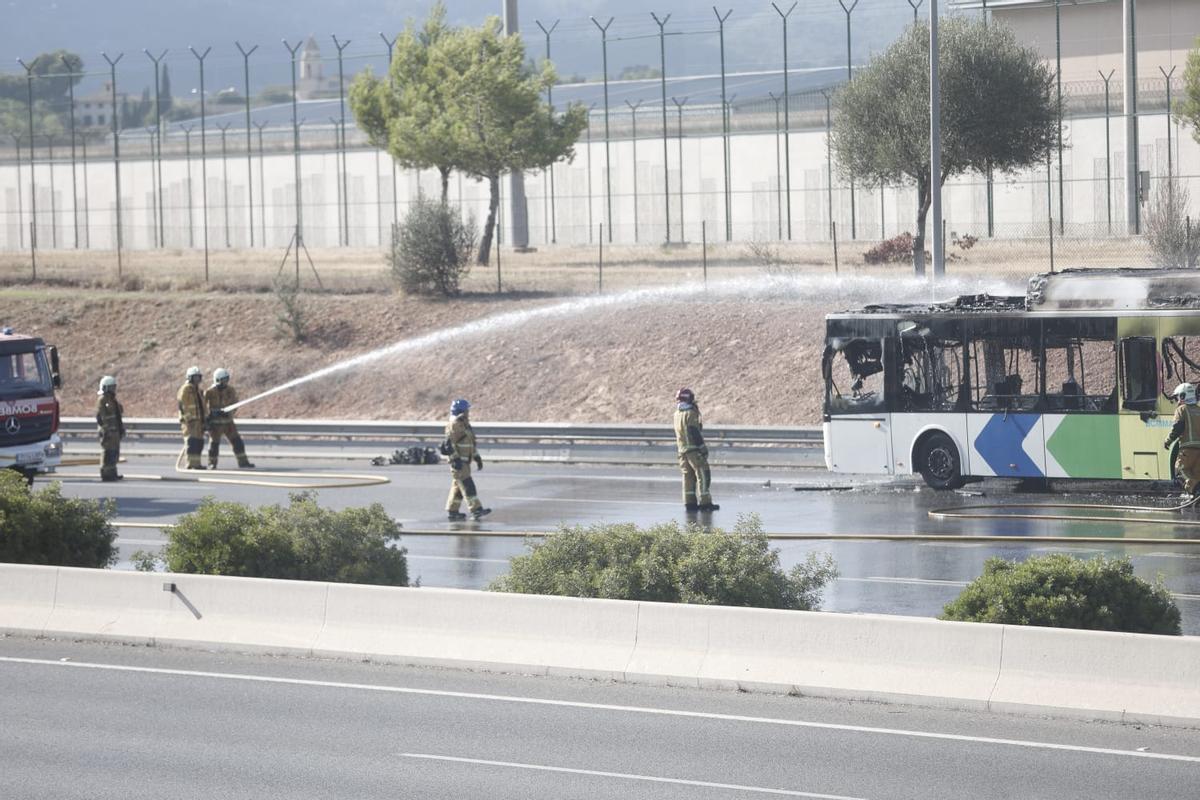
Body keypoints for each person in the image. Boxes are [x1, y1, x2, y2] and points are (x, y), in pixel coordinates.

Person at [442, 398, 491, 521]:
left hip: (465, 462)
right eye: (466, 410)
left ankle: (453, 511)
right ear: (461, 411)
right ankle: (476, 510)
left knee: (458, 487)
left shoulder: (464, 424)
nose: (468, 412)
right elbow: (449, 445)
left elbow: (469, 443)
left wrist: (476, 457)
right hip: (459, 463)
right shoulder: (454, 425)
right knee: (468, 485)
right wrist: (455, 460)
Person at [674, 387, 718, 512]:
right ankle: (705, 503)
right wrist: (702, 448)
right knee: (703, 473)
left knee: (687, 477)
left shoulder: (677, 414)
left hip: (682, 452)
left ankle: (690, 503)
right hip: (693, 450)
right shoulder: (690, 413)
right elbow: (693, 431)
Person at [204, 368, 255, 469]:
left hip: (228, 423)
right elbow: (203, 406)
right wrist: (211, 414)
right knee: (214, 445)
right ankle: (212, 463)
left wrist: (229, 412)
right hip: (215, 424)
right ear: (217, 380)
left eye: (226, 379)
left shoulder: (230, 390)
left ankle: (243, 462)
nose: (225, 382)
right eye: (223, 380)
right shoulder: (210, 392)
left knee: (237, 442)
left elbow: (235, 403)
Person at [1164, 382, 1200, 498]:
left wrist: (1168, 441)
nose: (1177, 400)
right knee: (1196, 474)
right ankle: (1194, 497)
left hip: (1188, 449)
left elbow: (1177, 427)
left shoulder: (1182, 409)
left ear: (1183, 396)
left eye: (1178, 397)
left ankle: (1196, 491)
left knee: (1180, 472)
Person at [95, 375, 124, 482]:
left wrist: (120, 429)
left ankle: (113, 473)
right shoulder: (102, 400)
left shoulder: (112, 400)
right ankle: (106, 474)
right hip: (107, 432)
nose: (113, 389)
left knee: (115, 452)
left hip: (115, 430)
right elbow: (101, 417)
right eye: (111, 387)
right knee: (107, 452)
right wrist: (106, 430)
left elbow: (118, 414)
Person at [177, 366, 207, 470]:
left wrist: (205, 418)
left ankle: (196, 463)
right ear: (190, 377)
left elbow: (202, 405)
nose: (197, 380)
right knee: (192, 443)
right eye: (195, 377)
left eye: (198, 377)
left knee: (199, 443)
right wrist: (188, 419)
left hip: (198, 421)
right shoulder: (186, 389)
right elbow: (182, 405)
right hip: (190, 422)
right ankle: (190, 464)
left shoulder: (197, 390)